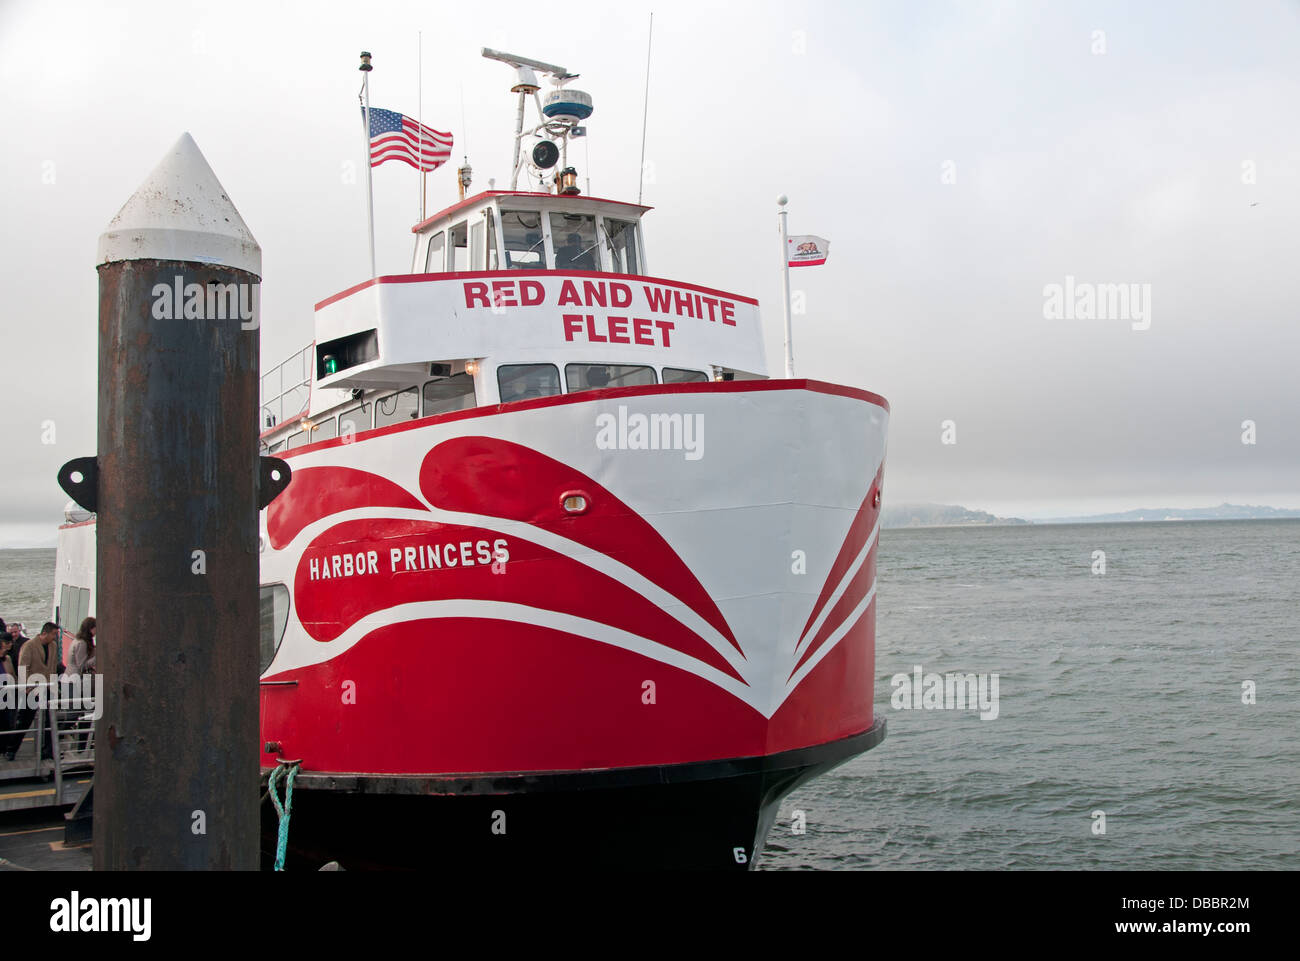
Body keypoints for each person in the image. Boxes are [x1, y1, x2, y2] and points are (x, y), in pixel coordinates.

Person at [9, 622, 59, 762]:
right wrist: (27, 686)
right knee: (25, 720)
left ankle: (47, 750)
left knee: (50, 720)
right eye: (54, 634)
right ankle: (12, 749)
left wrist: (53, 685)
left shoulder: (53, 646)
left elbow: (53, 666)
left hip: (47, 687)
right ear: (46, 633)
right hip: (32, 688)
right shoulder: (29, 645)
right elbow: (23, 667)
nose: (55, 637)